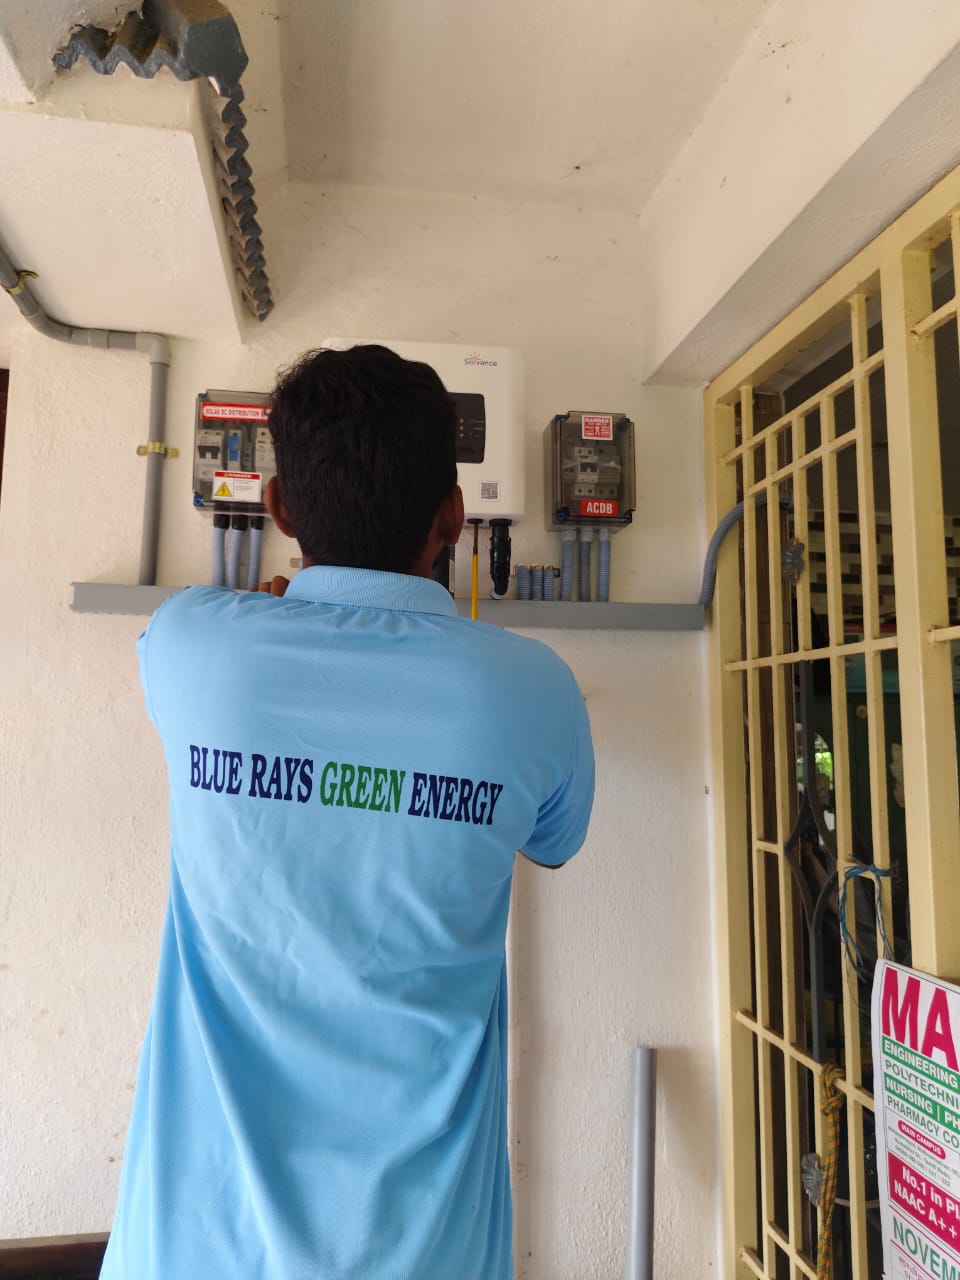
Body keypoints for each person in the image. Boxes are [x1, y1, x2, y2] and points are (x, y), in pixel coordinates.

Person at [100, 344, 595, 1280]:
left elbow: (200, 642)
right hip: (427, 1256)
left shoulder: (195, 646)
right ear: (453, 515)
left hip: (191, 1252)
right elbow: (556, 844)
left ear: (279, 509)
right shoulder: (532, 693)